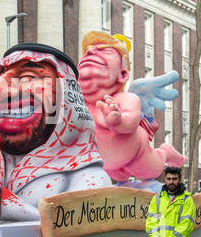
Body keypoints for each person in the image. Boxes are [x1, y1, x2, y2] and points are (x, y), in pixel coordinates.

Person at [0, 43, 112, 221]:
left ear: (65, 100)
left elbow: (79, 229)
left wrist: (3, 205)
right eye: (0, 77)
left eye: (28, 77)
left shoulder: (89, 178)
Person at [77, 31, 187, 182]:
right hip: (107, 164)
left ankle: (166, 152)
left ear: (122, 74)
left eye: (105, 50)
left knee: (151, 170)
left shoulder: (126, 98)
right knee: (119, 176)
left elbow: (130, 123)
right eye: (87, 52)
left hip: (136, 154)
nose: (90, 51)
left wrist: (118, 120)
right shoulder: (79, 104)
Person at [146, 167, 196, 237]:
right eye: (168, 179)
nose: (171, 182)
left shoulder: (186, 200)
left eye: (174, 179)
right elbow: (151, 223)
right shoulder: (157, 199)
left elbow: (185, 226)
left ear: (179, 179)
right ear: (164, 179)